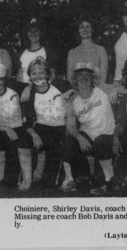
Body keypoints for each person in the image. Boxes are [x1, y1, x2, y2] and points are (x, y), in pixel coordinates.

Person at [62, 62, 116, 195]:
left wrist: (118, 89)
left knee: (101, 141)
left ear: (93, 78)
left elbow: (121, 86)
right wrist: (80, 138)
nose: (84, 78)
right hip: (88, 136)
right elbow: (70, 126)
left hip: (107, 135)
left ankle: (110, 182)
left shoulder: (103, 90)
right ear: (74, 80)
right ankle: (70, 179)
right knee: (69, 141)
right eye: (80, 75)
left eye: (87, 75)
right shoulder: (71, 101)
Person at [21, 58, 67, 187]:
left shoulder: (59, 85)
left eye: (41, 72)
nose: (37, 76)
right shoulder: (29, 94)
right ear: (29, 76)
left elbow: (78, 87)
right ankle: (27, 178)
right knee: (24, 138)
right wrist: (34, 135)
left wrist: (71, 92)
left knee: (49, 183)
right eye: (33, 73)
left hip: (61, 127)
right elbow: (27, 123)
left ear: (47, 74)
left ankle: (46, 171)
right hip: (42, 127)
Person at [67, 16, 108, 86]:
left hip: (97, 93)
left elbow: (103, 79)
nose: (84, 30)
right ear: (78, 30)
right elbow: (70, 79)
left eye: (88, 27)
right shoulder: (72, 53)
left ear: (93, 29)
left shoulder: (101, 50)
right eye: (81, 27)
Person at [16, 17, 57, 84]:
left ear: (41, 33)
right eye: (30, 31)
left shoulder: (49, 52)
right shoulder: (21, 54)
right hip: (25, 89)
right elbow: (18, 77)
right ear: (26, 33)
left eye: (36, 31)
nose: (33, 33)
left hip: (43, 88)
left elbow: (52, 76)